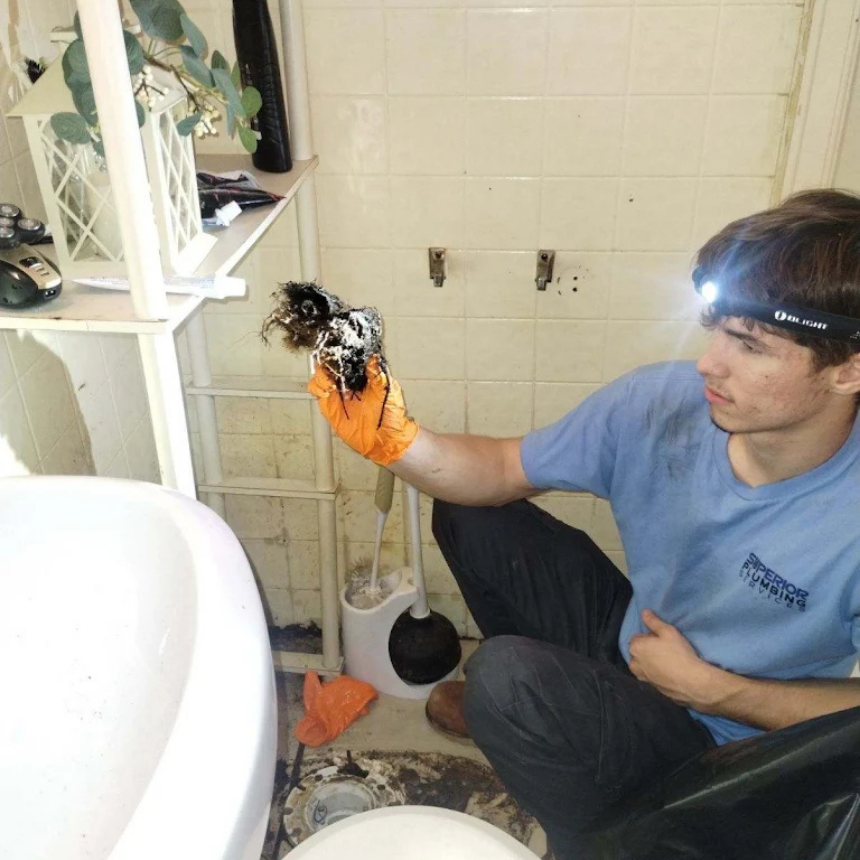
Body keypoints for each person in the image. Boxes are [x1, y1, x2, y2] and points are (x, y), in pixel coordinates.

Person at [307, 189, 860, 858]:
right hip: (639, 644)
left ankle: (596, 823)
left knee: (502, 681)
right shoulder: (664, 404)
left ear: (848, 368)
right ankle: (558, 727)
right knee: (471, 514)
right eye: (715, 328)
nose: (709, 362)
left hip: (726, 745)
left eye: (748, 344)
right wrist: (393, 439)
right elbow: (502, 467)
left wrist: (719, 691)